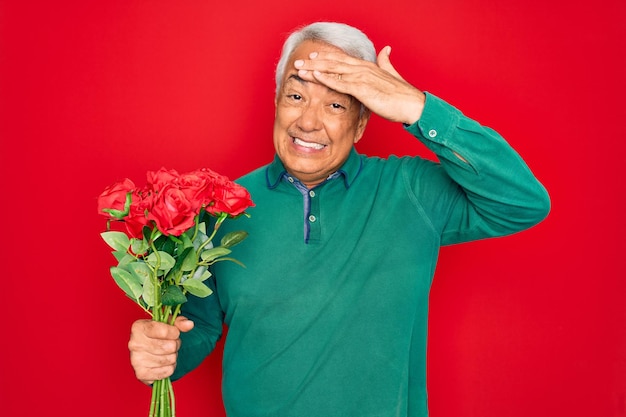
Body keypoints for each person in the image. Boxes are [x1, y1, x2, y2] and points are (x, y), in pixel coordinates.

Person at [128, 22, 550, 416]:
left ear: (362, 121)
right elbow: (197, 327)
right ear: (276, 102)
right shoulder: (221, 204)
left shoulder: (409, 190)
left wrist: (418, 109)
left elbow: (522, 202)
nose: (308, 122)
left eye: (335, 103)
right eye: (296, 96)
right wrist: (162, 349)